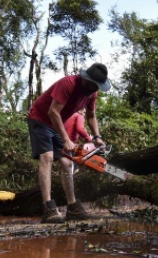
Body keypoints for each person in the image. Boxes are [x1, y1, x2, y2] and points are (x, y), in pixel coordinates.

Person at [27, 63, 110, 223]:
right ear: (86, 78)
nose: (94, 88)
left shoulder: (92, 93)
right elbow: (53, 112)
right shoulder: (68, 83)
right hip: (40, 118)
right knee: (47, 157)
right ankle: (48, 208)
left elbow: (91, 116)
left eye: (97, 86)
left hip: (56, 123)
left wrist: (97, 137)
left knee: (66, 163)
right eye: (92, 84)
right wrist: (66, 139)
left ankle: (73, 208)